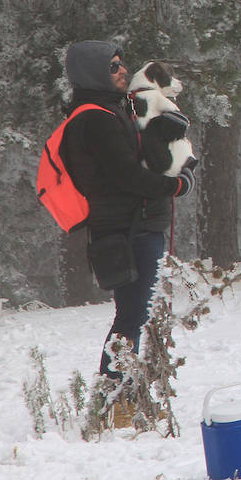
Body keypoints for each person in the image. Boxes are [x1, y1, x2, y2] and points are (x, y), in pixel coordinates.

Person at [58, 41, 195, 383]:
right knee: (133, 315)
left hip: (128, 227)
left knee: (134, 314)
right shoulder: (94, 119)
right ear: (93, 74)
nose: (122, 71)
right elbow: (127, 176)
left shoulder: (105, 113)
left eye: (121, 64)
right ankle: (114, 394)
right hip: (128, 230)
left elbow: (129, 166)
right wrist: (176, 186)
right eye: (113, 66)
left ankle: (120, 392)